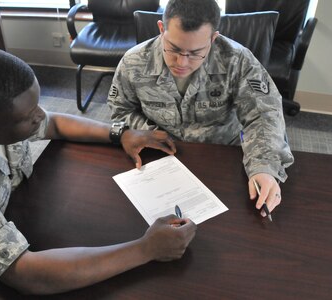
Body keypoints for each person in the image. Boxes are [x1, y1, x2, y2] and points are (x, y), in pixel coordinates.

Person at [0, 46, 197, 295]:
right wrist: (146, 249)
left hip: (14, 216)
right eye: (29, 116)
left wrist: (119, 133)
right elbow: (26, 274)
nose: (39, 116)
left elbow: (53, 123)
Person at [108, 0, 294, 218]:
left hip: (223, 157)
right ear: (161, 29)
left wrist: (263, 166)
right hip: (159, 159)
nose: (182, 62)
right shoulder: (134, 62)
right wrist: (147, 133)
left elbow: (264, 114)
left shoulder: (237, 60)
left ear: (213, 38)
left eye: (195, 52)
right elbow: (120, 110)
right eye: (174, 49)